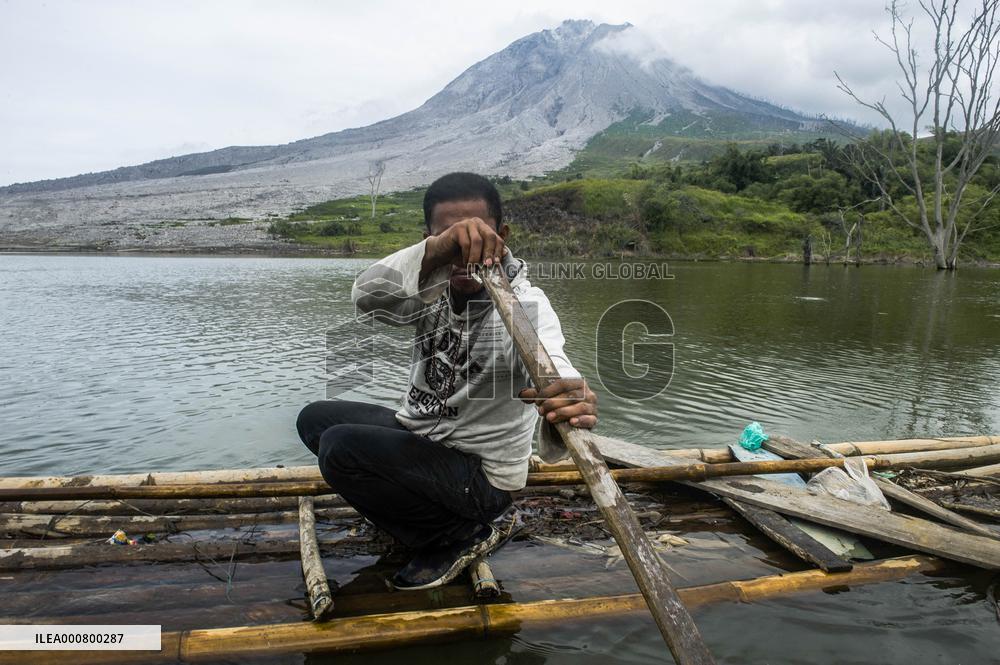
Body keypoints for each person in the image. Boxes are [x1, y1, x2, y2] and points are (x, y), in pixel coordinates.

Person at [296, 172, 597, 590]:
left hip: (479, 476)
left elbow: (551, 361)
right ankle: (422, 511)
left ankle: (458, 535)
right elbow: (365, 299)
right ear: (429, 240)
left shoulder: (522, 303)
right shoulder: (427, 291)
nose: (465, 253)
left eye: (478, 237)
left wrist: (566, 392)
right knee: (316, 420)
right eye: (452, 240)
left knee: (341, 449)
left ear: (503, 235)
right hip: (424, 439)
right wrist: (434, 253)